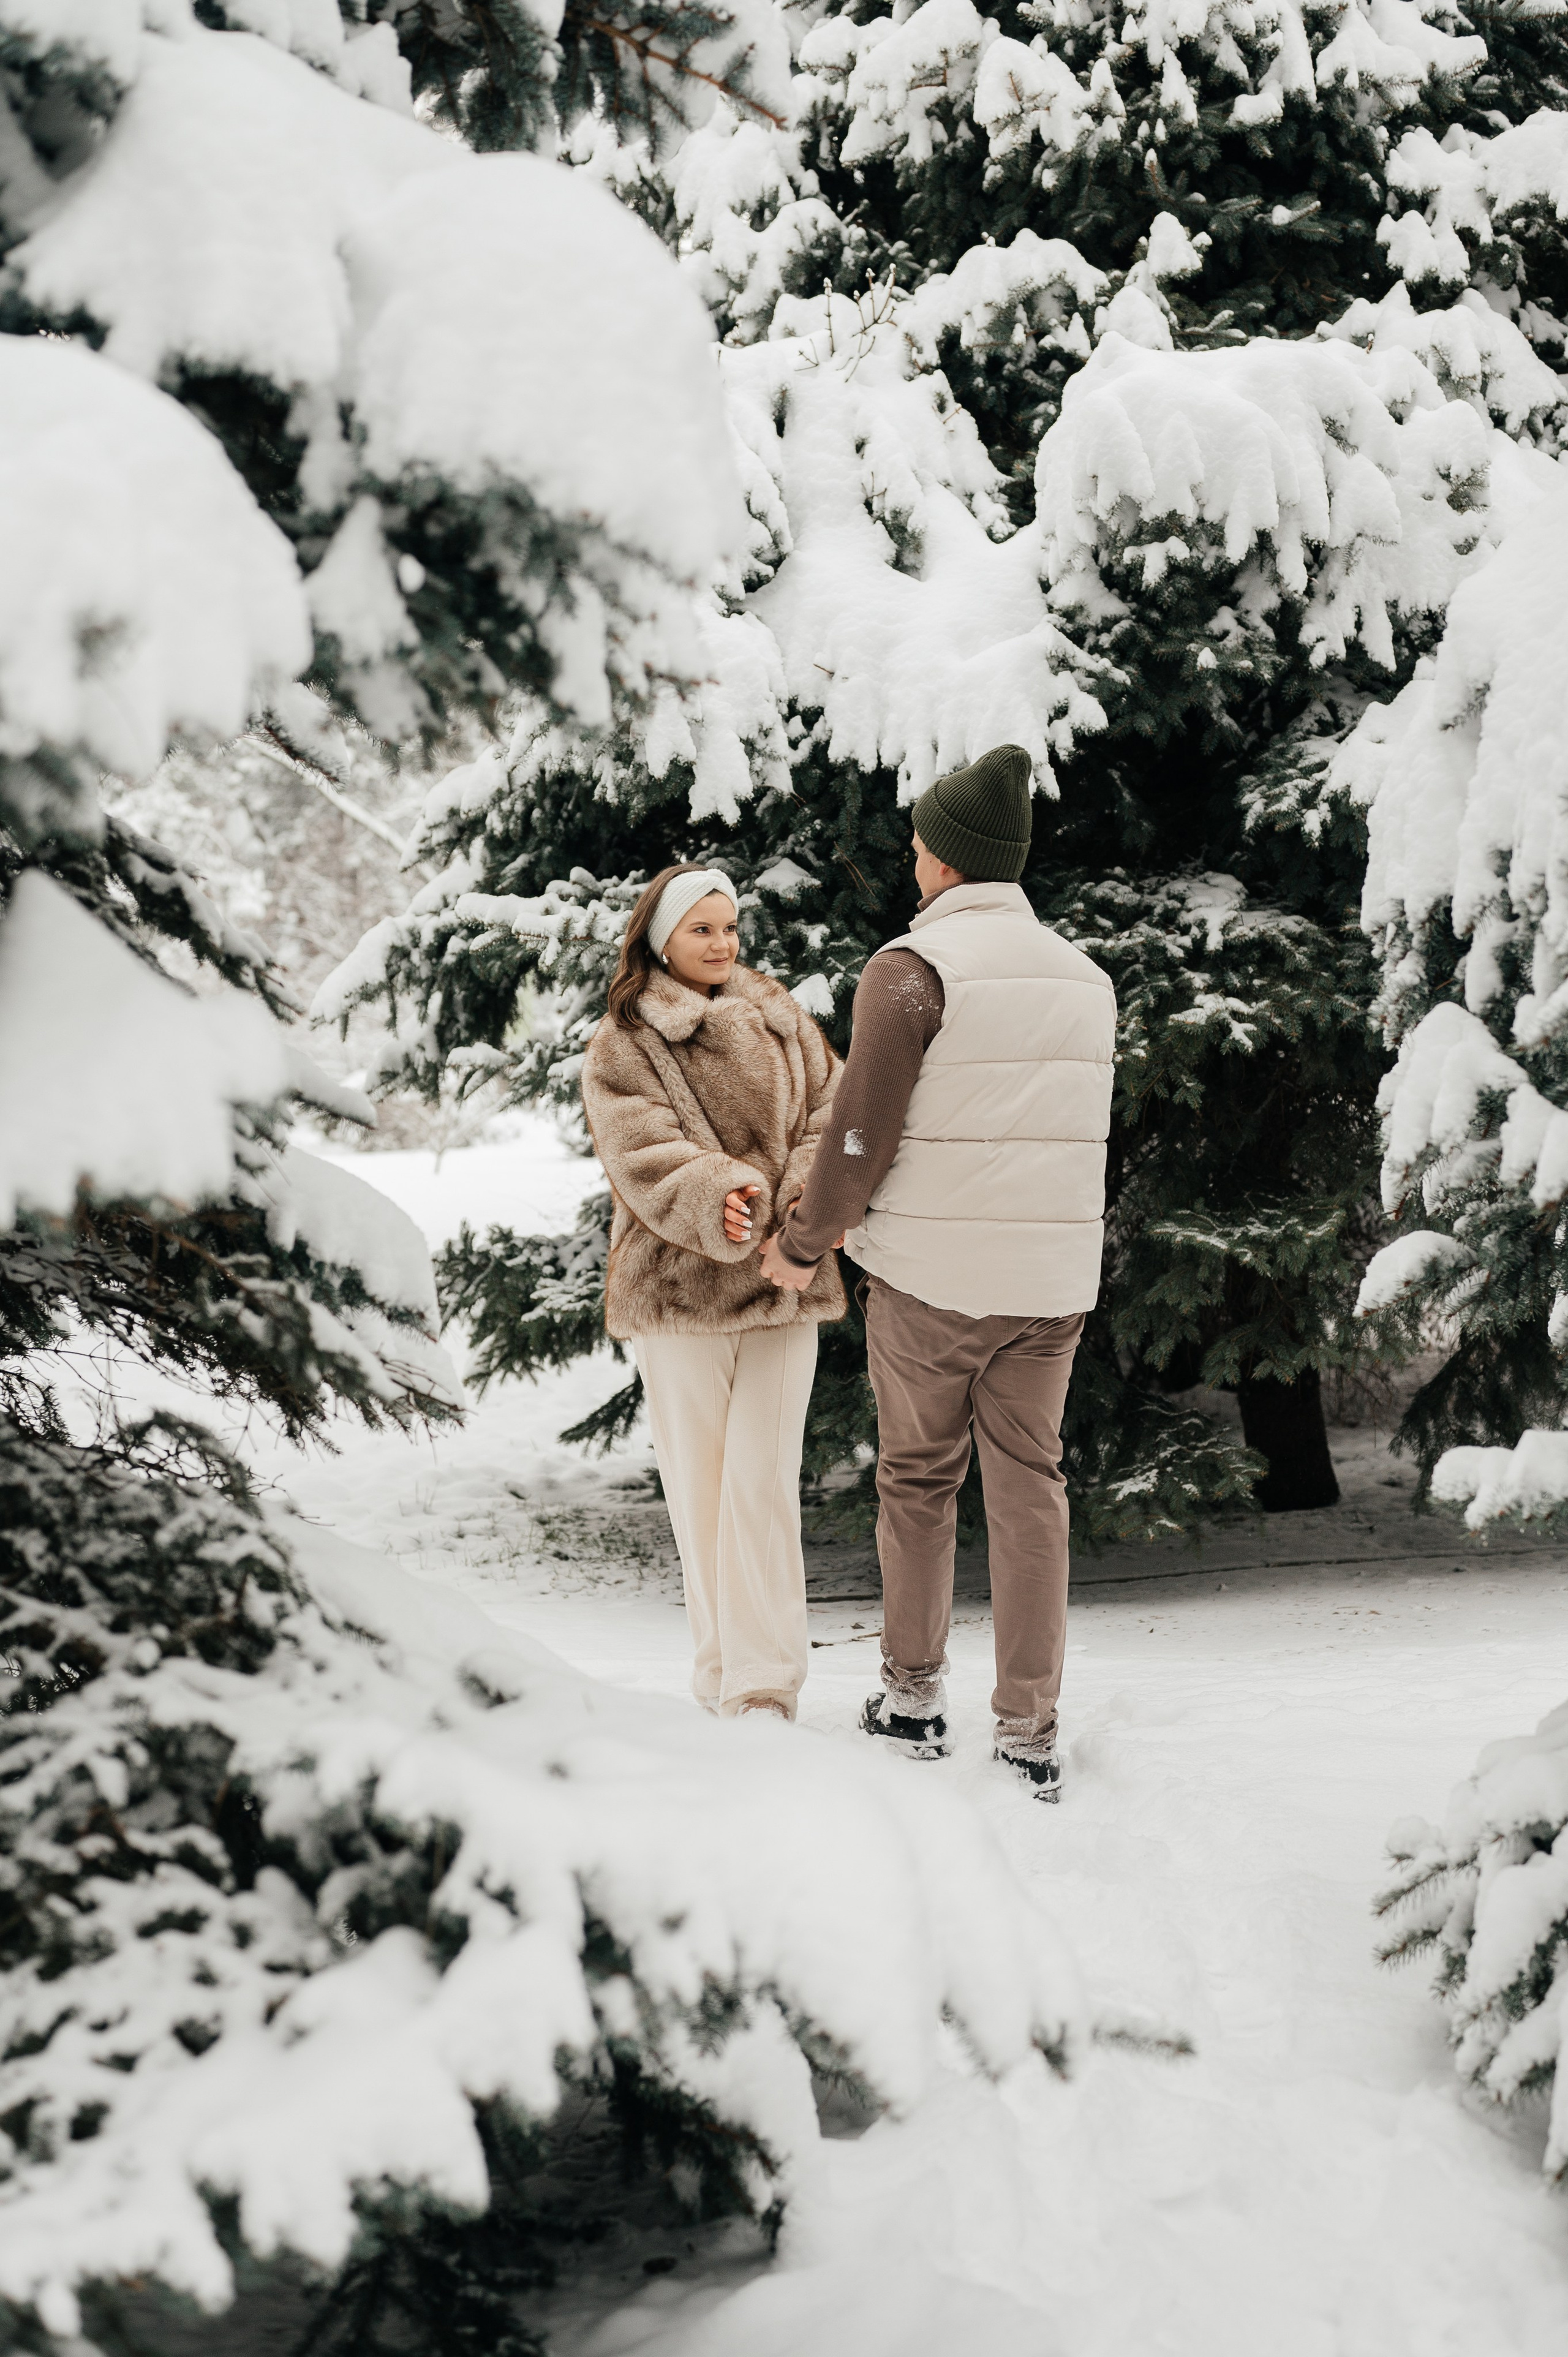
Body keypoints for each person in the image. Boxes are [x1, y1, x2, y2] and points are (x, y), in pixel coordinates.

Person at [758, 746, 1115, 1799]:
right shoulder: (1085, 980)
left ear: (949, 864)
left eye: (919, 848)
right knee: (1030, 1489)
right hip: (1050, 1286)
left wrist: (803, 1241)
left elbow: (860, 1139)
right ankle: (1029, 1728)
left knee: (918, 1478)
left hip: (929, 1280)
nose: (912, 864)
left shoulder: (912, 970)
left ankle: (912, 1699)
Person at [581, 864, 843, 1722]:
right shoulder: (626, 1041)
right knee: (701, 1485)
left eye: (730, 928)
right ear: (662, 939)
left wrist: (800, 1204)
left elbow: (831, 1118)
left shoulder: (783, 1019)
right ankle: (719, 1671)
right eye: (703, 929)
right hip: (680, 1293)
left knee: (762, 1478)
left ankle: (764, 1682)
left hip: (783, 1282)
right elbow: (641, 1150)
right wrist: (719, 1193)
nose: (723, 943)